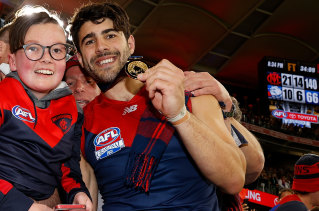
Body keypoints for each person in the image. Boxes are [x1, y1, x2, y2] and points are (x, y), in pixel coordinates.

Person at [71, 2, 246, 210]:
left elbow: (234, 179)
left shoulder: (188, 91)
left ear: (131, 44)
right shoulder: (81, 124)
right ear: (81, 58)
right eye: (90, 41)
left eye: (110, 35)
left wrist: (179, 115)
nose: (101, 47)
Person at [0, 5, 92, 211]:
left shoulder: (74, 112)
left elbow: (68, 166)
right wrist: (24, 206)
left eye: (57, 49)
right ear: (12, 61)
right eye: (33, 48)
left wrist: (77, 192)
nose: (46, 57)